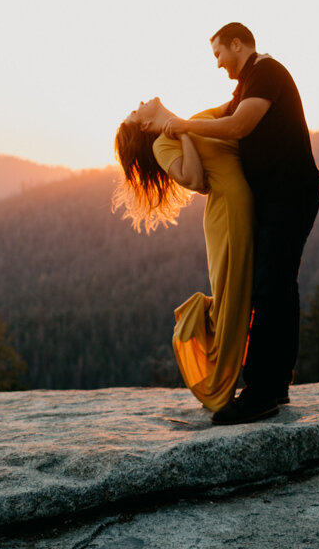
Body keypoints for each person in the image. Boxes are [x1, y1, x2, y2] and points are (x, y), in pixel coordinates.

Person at [163, 23, 319, 425]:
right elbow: (224, 119)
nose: (218, 64)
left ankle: (261, 395)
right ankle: (277, 386)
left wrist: (182, 125)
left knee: (269, 287)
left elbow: (238, 126)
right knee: (280, 286)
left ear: (237, 44)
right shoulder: (249, 81)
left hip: (290, 194)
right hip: (276, 198)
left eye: (218, 54)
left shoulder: (267, 72)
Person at [114, 97, 253, 415]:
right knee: (233, 296)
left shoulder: (195, 118)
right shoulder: (163, 144)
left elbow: (233, 110)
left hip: (243, 206)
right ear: (146, 126)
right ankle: (218, 386)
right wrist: (184, 132)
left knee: (244, 292)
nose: (138, 103)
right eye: (135, 112)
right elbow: (194, 179)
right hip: (228, 214)